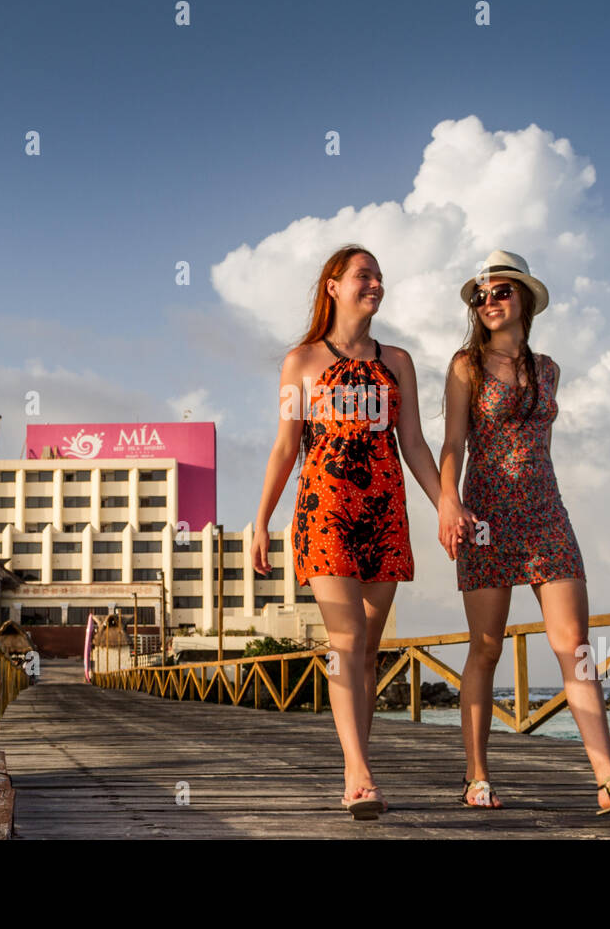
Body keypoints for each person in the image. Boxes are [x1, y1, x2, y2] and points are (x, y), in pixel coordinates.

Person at [436, 250, 610, 815]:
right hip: (485, 515)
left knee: (575, 647)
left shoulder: (550, 369)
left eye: (501, 292)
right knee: (485, 648)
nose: (489, 302)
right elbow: (453, 444)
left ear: (525, 300)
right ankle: (477, 776)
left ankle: (607, 778)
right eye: (480, 296)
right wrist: (449, 502)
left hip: (545, 513)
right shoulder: (465, 366)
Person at [251, 245, 448, 820]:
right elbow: (287, 446)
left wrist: (445, 507)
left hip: (385, 512)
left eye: (381, 276)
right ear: (332, 286)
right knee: (346, 640)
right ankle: (359, 774)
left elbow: (412, 444)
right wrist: (261, 521)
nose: (376, 284)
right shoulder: (302, 362)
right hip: (326, 509)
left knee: (366, 652)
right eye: (364, 275)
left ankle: (357, 766)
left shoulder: (399, 362)